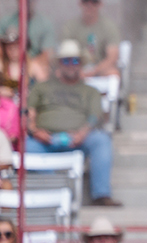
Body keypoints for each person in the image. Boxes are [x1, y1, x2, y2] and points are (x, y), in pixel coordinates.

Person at [26, 42, 118, 205]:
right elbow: (29, 113)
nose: (71, 65)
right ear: (59, 63)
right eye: (66, 61)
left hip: (78, 139)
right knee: (26, 146)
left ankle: (101, 194)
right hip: (45, 140)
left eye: (75, 61)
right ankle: (55, 191)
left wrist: (83, 132)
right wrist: (34, 131)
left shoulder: (90, 91)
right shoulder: (41, 88)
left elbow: (95, 116)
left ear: (81, 64)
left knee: (101, 139)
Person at [60, 0, 122, 78]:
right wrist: (77, 70)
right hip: (75, 69)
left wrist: (94, 70)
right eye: (86, 1)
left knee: (113, 73)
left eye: (94, 1)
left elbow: (112, 57)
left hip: (100, 69)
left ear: (100, 4)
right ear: (80, 3)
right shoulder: (70, 26)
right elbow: (64, 53)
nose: (89, 5)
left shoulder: (109, 26)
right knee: (58, 74)